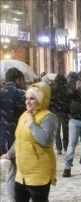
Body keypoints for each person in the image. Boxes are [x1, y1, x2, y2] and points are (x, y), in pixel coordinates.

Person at [2, 81, 58, 201]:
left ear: (41, 99)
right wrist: (9, 154)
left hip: (38, 174)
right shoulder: (24, 115)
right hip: (21, 174)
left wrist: (32, 124)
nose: (27, 101)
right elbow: (20, 139)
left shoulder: (48, 117)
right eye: (26, 98)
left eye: (32, 98)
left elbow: (46, 140)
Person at [0, 68, 26, 202]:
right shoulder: (22, 94)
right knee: (22, 171)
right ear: (18, 79)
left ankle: (12, 199)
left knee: (11, 172)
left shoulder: (1, 94)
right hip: (19, 137)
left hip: (3, 137)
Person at [49, 73, 70, 155]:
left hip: (55, 111)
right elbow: (68, 101)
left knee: (57, 131)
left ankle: (58, 148)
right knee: (65, 130)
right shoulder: (66, 89)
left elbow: (50, 101)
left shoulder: (53, 89)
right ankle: (66, 146)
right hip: (64, 112)